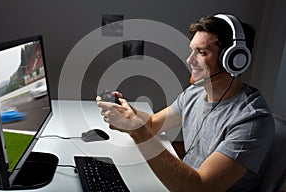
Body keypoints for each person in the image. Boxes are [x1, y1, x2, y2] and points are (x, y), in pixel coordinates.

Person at [96, 14, 275, 191]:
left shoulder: (252, 121)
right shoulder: (195, 92)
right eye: (192, 50)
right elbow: (152, 124)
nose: (189, 60)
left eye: (202, 52)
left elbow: (200, 188)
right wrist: (127, 115)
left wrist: (139, 132)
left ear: (234, 60)